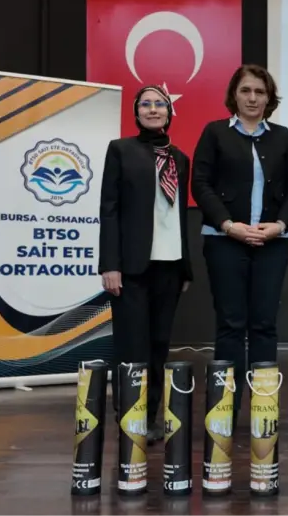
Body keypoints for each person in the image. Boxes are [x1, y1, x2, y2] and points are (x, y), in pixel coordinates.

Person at [191, 64, 288, 426]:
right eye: (246, 91)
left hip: (273, 244)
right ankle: (225, 408)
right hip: (224, 242)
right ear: (234, 96)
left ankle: (262, 408)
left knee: (264, 325)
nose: (253, 98)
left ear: (269, 98)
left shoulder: (282, 136)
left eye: (260, 91)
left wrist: (280, 225)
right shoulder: (214, 133)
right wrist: (229, 226)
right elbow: (201, 184)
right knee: (230, 324)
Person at [99, 84, 193, 445]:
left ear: (169, 112)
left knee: (158, 345)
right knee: (131, 345)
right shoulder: (121, 150)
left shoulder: (179, 158)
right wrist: (110, 264)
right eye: (146, 104)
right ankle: (129, 415)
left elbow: (179, 216)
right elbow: (109, 209)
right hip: (132, 266)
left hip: (170, 264)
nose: (153, 109)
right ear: (137, 112)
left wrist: (185, 266)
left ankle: (151, 416)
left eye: (160, 104)